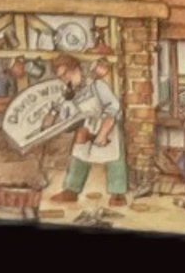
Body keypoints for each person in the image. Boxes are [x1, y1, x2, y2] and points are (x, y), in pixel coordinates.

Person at [47, 55, 128, 206]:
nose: (65, 79)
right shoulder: (71, 93)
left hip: (106, 124)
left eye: (66, 74)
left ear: (76, 69)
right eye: (61, 77)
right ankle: (71, 190)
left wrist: (103, 133)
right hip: (88, 125)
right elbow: (66, 113)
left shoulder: (97, 85)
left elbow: (114, 107)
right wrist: (55, 115)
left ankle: (117, 193)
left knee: (114, 156)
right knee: (78, 153)